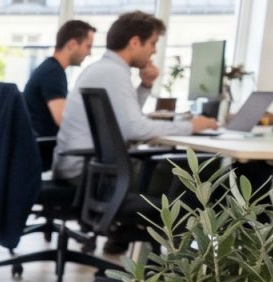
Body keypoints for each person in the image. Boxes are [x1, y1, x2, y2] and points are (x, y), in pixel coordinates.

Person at [53, 11, 216, 185]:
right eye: (153, 43)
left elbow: (123, 119)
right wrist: (192, 126)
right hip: (90, 174)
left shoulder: (101, 69)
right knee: (202, 173)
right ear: (135, 42)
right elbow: (134, 128)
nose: (154, 50)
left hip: (84, 168)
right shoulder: (114, 73)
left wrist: (145, 85)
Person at [22, 19, 95, 139]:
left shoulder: (50, 68)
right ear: (72, 44)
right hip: (45, 146)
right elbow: (63, 120)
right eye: (88, 46)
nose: (89, 53)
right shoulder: (53, 73)